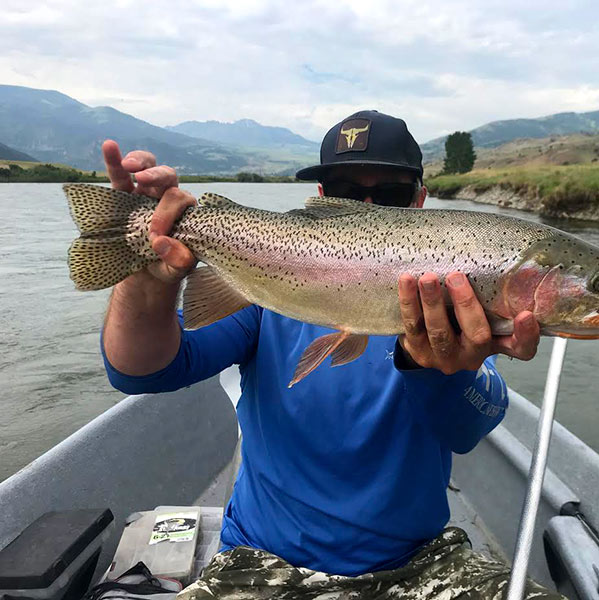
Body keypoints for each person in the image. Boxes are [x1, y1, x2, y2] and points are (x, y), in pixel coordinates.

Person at [101, 110, 564, 600]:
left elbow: (467, 431)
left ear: (420, 200)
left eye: (389, 195)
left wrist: (436, 368)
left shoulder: (456, 301)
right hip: (260, 559)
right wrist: (144, 279)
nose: (369, 207)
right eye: (345, 191)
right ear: (322, 200)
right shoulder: (264, 290)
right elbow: (141, 371)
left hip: (420, 563)